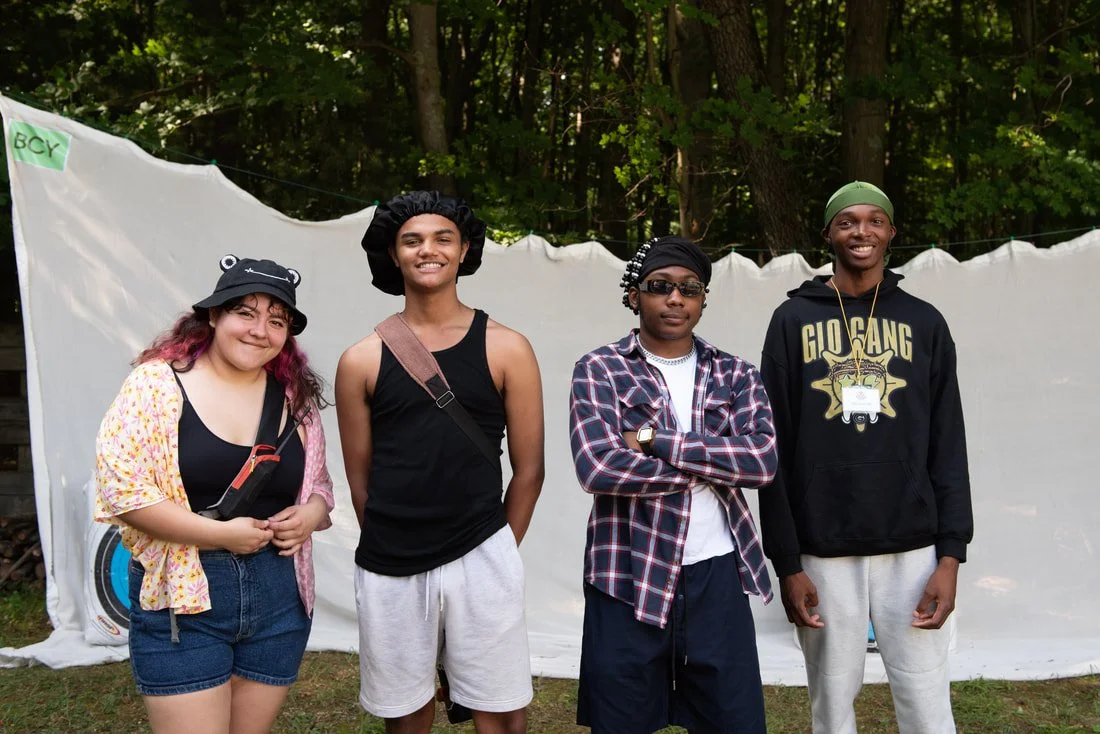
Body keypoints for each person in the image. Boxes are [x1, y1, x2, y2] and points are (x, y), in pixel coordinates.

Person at [758, 181, 973, 733]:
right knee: (832, 704)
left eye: (874, 220)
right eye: (847, 221)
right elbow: (771, 445)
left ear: (891, 232)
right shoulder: (791, 321)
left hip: (913, 545)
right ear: (828, 233)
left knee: (926, 698)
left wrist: (950, 556)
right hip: (823, 545)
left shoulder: (925, 322)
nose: (861, 231)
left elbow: (948, 442)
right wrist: (787, 562)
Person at [95, 255, 335, 734]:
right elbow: (123, 491)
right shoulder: (156, 385)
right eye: (245, 313)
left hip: (279, 594)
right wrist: (220, 535)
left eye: (276, 320)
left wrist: (310, 514)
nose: (260, 330)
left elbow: (320, 488)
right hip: (185, 593)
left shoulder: (295, 398)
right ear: (213, 315)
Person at [335, 191, 544, 734]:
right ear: (393, 254)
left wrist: (498, 547)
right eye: (412, 240)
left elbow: (529, 470)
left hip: (483, 550)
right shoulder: (361, 359)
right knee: (405, 712)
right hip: (390, 559)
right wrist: (395, 539)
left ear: (464, 249)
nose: (428, 250)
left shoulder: (508, 348)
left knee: (501, 709)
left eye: (442, 238)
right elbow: (359, 479)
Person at [568, 235, 778, 733]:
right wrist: (713, 461)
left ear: (703, 300)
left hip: (717, 573)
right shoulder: (600, 369)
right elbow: (599, 467)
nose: (676, 298)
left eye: (690, 288)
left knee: (734, 723)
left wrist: (653, 440)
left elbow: (762, 461)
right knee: (621, 722)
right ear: (634, 295)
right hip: (626, 571)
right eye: (660, 286)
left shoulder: (736, 374)